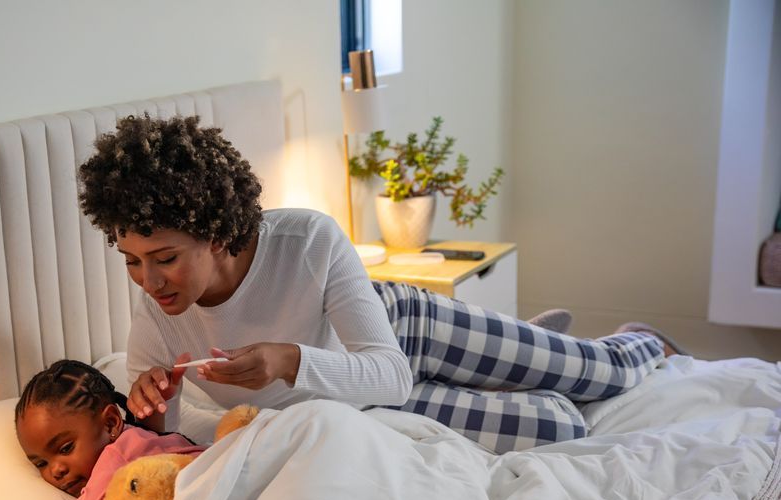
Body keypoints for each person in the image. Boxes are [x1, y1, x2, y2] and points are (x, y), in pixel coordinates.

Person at [77, 114, 669, 454]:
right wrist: (157, 404)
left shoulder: (306, 241)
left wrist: (288, 361)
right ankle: (522, 346)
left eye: (164, 258)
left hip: (401, 336)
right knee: (564, 424)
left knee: (603, 375)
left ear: (215, 232)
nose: (149, 281)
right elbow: (163, 441)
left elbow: (388, 367)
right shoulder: (156, 314)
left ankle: (644, 342)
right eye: (130, 260)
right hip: (358, 400)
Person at [15, 359, 204, 500]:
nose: (56, 470)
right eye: (41, 463)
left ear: (111, 423)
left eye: (66, 448)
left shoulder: (114, 456)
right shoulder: (137, 438)